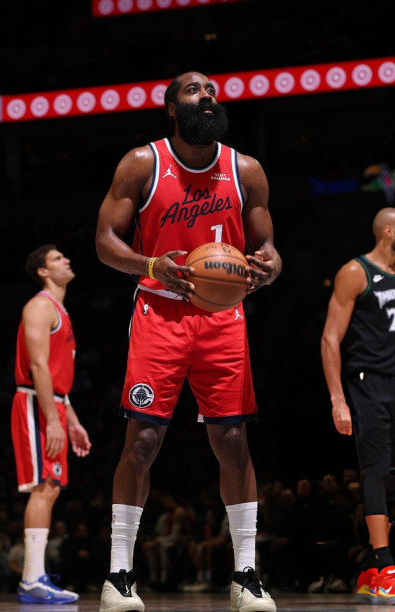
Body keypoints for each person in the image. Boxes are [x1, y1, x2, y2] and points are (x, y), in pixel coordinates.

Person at [95, 70, 281, 612]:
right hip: (160, 311)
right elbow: (105, 242)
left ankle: (246, 575)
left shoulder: (245, 169)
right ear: (172, 108)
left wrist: (269, 267)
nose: (207, 97)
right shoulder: (142, 163)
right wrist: (151, 264)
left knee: (233, 442)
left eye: (211, 91)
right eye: (194, 91)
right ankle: (119, 575)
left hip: (223, 317)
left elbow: (269, 248)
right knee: (143, 442)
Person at [320, 207, 395, 605]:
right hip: (369, 383)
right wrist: (337, 398)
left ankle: (370, 568)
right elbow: (330, 338)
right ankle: (387, 569)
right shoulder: (355, 272)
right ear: (388, 231)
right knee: (375, 470)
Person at [12, 245, 92, 604]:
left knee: (51, 489)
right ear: (43, 271)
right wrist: (53, 419)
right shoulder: (40, 306)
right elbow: (38, 367)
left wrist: (70, 421)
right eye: (58, 258)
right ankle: (31, 579)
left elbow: (58, 379)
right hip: (35, 402)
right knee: (43, 487)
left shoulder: (60, 310)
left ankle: (35, 578)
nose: (67, 260)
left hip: (53, 403)